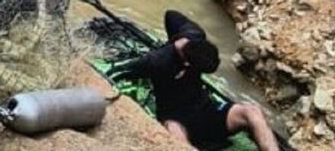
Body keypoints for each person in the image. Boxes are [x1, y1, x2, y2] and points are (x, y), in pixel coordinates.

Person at [112, 10, 278, 151]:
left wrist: (179, 37)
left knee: (252, 111)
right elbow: (120, 71)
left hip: (206, 109)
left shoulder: (195, 35)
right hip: (175, 117)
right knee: (174, 134)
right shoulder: (156, 62)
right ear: (187, 63)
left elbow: (171, 15)